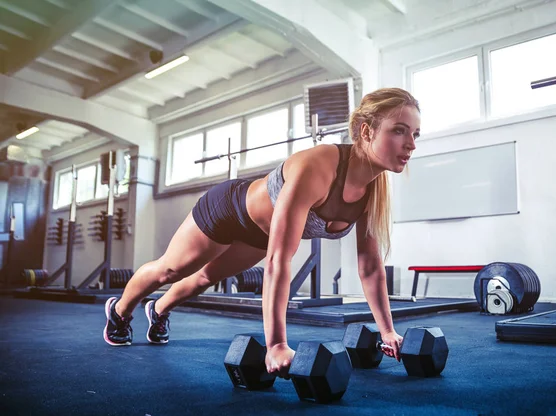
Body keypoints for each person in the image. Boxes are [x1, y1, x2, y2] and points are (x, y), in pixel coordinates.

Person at [103, 87, 421, 379]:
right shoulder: (320, 166)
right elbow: (279, 261)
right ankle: (119, 311)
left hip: (259, 234)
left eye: (416, 134)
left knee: (203, 279)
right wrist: (277, 344)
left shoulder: (374, 189)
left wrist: (388, 331)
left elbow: (369, 266)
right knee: (172, 269)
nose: (411, 144)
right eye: (399, 130)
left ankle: (158, 309)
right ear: (366, 131)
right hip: (228, 210)